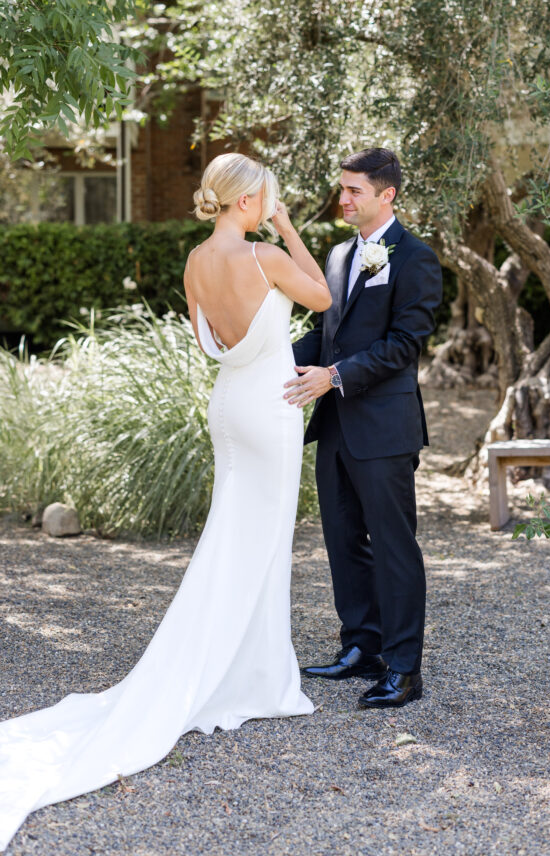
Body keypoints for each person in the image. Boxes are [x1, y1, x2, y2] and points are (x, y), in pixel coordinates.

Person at [0, 153, 331, 852]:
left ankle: (247, 669)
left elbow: (206, 338)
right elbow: (323, 298)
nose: (272, 204)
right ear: (248, 202)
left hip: (227, 406)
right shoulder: (267, 255)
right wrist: (289, 226)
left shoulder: (192, 261)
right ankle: (254, 680)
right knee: (263, 544)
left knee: (229, 537)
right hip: (268, 409)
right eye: (267, 196)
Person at [286, 147, 442, 709]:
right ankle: (361, 648)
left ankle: (404, 669)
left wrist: (334, 376)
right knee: (343, 542)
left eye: (355, 190)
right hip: (336, 427)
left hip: (384, 428)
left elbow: (404, 346)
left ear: (387, 195)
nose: (343, 199)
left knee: (395, 548)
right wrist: (269, 356)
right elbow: (326, 334)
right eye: (343, 188)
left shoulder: (416, 258)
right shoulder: (335, 256)